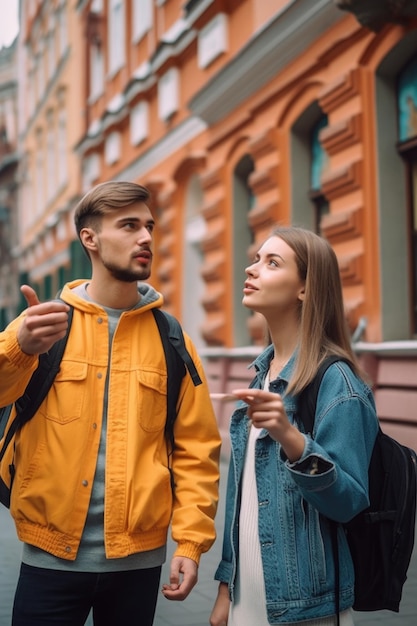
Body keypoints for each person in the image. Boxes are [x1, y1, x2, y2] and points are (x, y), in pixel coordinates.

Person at [0, 181, 222, 626]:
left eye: (149, 226)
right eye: (129, 225)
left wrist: (190, 544)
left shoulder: (172, 339)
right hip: (49, 557)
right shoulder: (42, 325)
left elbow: (197, 450)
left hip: (137, 565)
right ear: (91, 239)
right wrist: (20, 348)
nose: (145, 238)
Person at [210, 226, 379, 626]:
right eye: (256, 259)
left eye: (272, 263)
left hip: (306, 607)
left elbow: (350, 502)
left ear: (305, 288)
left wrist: (292, 439)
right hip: (246, 600)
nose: (252, 270)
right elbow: (242, 499)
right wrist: (224, 588)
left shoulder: (337, 382)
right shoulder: (261, 375)